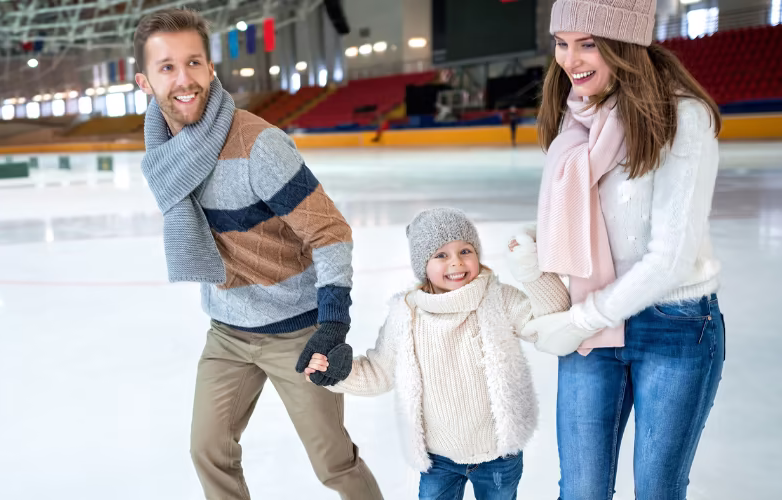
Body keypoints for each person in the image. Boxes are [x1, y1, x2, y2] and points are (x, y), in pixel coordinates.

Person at [133, 8, 382, 500]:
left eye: (194, 63)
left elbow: (331, 233)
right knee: (208, 450)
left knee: (333, 462)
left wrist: (333, 325)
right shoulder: (165, 156)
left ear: (211, 69)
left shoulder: (257, 145)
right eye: (167, 67)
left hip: (296, 331)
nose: (184, 80)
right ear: (144, 80)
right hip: (227, 333)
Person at [527, 1, 726, 498]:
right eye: (562, 43)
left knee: (657, 489)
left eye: (588, 43)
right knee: (581, 490)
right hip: (593, 327)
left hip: (675, 325)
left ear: (625, 43)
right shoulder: (576, 122)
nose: (571, 59)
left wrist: (580, 321)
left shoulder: (683, 117)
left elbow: (670, 258)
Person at [306, 208, 570, 500]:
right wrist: (336, 373)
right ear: (423, 264)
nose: (456, 262)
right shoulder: (405, 314)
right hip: (438, 459)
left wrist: (532, 269)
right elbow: (379, 373)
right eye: (441, 255)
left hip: (499, 454)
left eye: (465, 250)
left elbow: (548, 323)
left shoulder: (498, 298)